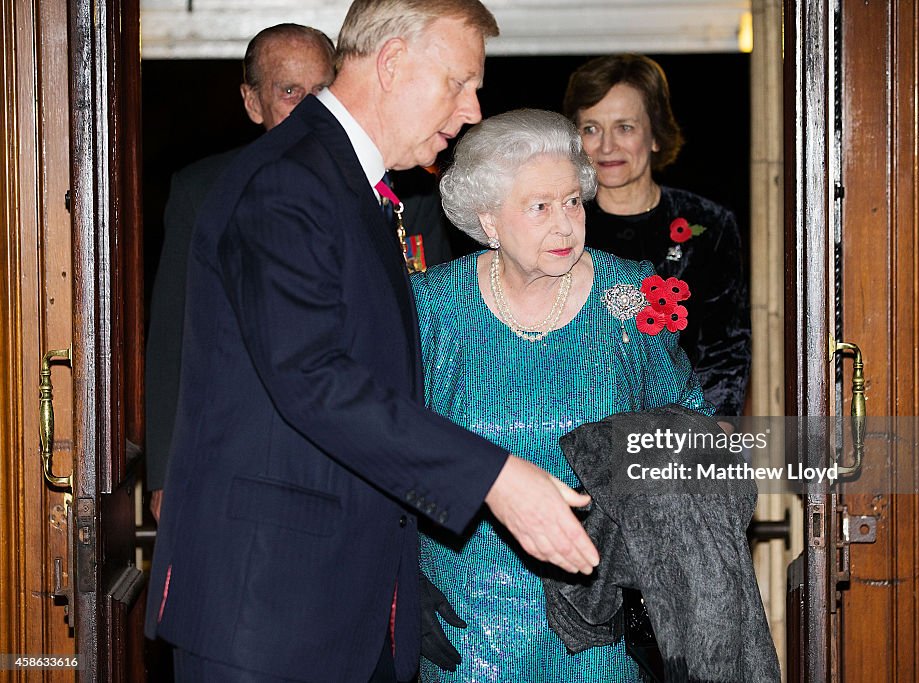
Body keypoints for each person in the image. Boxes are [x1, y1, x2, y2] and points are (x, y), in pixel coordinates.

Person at [143, 2, 599, 681]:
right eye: (459, 82)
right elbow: (313, 376)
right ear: (391, 64)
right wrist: (496, 477)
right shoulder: (288, 181)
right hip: (269, 613)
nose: (472, 109)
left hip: (333, 606)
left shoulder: (346, 182)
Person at [413, 108, 714, 682]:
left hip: (597, 625)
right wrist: (397, 578)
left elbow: (688, 432)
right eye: (540, 207)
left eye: (572, 201)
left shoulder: (626, 294)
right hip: (469, 627)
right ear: (489, 220)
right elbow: (389, 450)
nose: (565, 224)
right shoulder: (434, 308)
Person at [145, 22, 451, 522]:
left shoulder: (403, 190)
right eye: (290, 92)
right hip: (250, 453)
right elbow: (174, 336)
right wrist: (164, 474)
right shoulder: (205, 191)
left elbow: (434, 334)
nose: (310, 108)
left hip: (379, 447)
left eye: (321, 90)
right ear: (252, 102)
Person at [563, 54, 751, 426]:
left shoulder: (708, 226)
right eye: (590, 128)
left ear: (655, 135)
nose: (606, 147)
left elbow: (725, 349)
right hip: (576, 432)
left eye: (625, 128)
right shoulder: (558, 226)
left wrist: (711, 438)